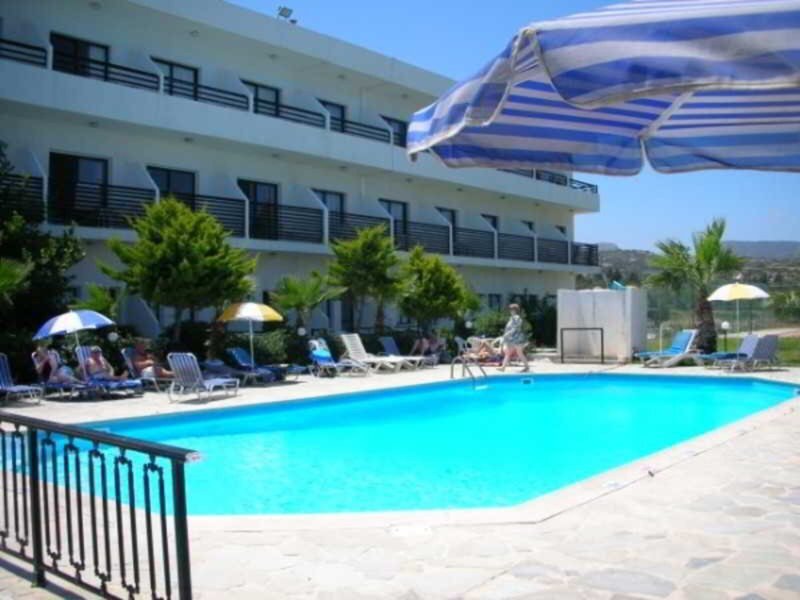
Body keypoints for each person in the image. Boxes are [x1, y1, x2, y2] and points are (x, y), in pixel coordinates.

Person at [499, 304, 530, 372]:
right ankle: (503, 368)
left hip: (516, 339)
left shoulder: (516, 317)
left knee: (517, 353)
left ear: (514, 310)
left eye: (511, 309)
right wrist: (507, 334)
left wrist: (507, 334)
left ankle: (503, 368)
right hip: (513, 339)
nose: (510, 311)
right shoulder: (513, 318)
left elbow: (515, 327)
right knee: (513, 353)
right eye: (510, 309)